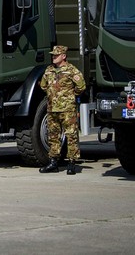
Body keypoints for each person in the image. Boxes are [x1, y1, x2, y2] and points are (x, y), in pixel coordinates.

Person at [39, 45, 86, 174]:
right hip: (52, 109)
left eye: (56, 55)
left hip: (67, 109)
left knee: (71, 135)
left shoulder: (71, 70)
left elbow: (81, 86)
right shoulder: (49, 70)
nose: (53, 57)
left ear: (64, 56)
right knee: (53, 136)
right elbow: (43, 86)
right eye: (53, 55)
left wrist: (69, 96)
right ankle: (53, 162)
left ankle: (71, 163)